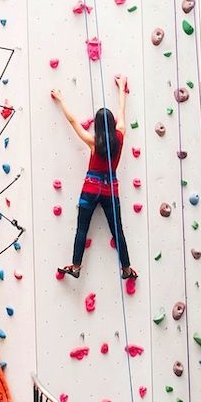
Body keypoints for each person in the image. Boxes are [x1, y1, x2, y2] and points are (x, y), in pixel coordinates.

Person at [49, 76, 137, 285]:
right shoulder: (120, 136)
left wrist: (61, 100)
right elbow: (122, 112)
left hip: (91, 188)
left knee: (82, 229)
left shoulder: (92, 142)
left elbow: (73, 122)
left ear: (97, 125)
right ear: (112, 123)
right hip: (110, 190)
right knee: (118, 231)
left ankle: (76, 266)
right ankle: (126, 268)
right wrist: (122, 87)